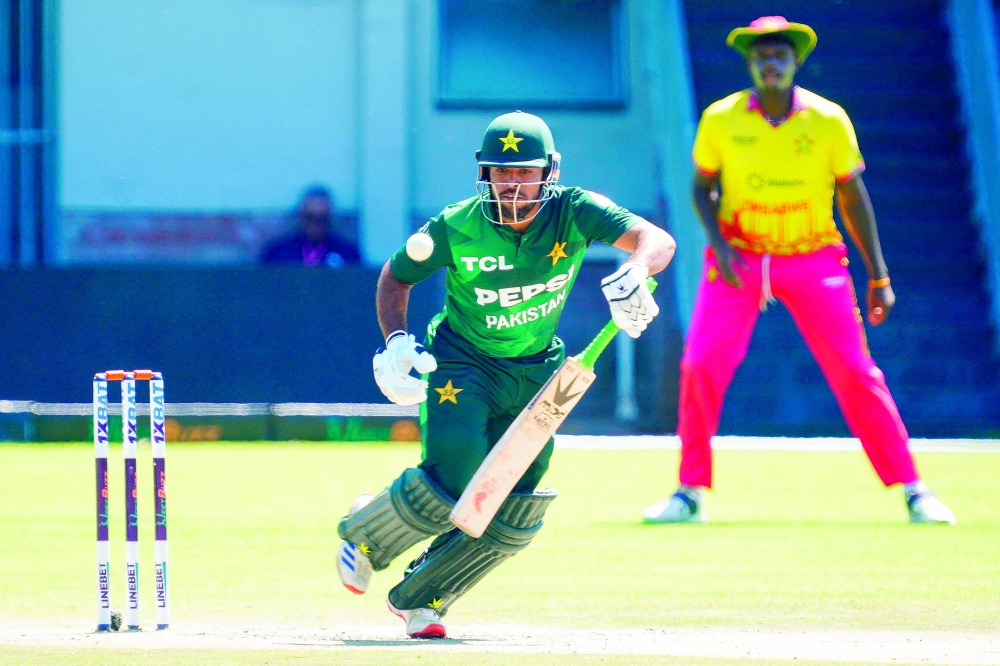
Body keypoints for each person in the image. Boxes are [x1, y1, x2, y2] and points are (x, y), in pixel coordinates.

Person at [336, 111, 676, 638]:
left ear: (548, 173)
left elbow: (657, 240)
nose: (512, 185)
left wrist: (635, 268)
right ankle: (367, 534)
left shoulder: (575, 210)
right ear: (484, 174)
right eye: (501, 172)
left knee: (516, 501)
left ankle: (423, 598)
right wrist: (396, 342)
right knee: (456, 474)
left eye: (524, 172)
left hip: (539, 369)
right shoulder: (456, 225)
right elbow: (396, 277)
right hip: (463, 362)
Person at [642, 17, 956, 526]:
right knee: (700, 364)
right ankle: (688, 492)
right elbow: (701, 188)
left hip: (811, 256)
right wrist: (719, 247)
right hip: (740, 257)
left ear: (795, 62)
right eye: (761, 55)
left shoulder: (828, 119)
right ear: (750, 64)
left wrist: (879, 276)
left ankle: (914, 489)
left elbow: (852, 195)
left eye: (780, 55)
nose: (771, 63)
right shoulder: (721, 118)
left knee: (854, 369)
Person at [260, 185, 361, 267]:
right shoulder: (278, 252)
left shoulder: (348, 253)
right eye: (309, 218)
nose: (315, 224)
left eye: (321, 219)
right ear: (300, 215)